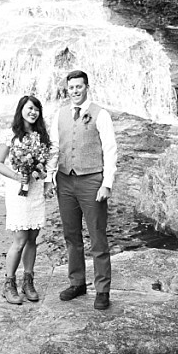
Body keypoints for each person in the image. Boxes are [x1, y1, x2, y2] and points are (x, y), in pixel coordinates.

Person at [45, 70, 117, 311]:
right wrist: (49, 176)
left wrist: (107, 183)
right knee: (71, 236)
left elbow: (110, 149)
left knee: (97, 236)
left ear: (86, 87)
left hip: (91, 181)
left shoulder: (101, 114)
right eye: (71, 87)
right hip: (65, 180)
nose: (75, 91)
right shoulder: (60, 114)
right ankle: (77, 283)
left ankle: (103, 289)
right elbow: (55, 147)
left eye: (79, 86)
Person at [0, 95, 52, 305]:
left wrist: (45, 176)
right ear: (21, 110)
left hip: (35, 190)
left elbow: (49, 160)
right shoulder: (11, 134)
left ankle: (28, 281)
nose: (33, 112)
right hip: (17, 191)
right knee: (19, 241)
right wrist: (18, 176)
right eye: (29, 108)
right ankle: (9, 284)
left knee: (33, 238)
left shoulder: (41, 135)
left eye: (36, 109)